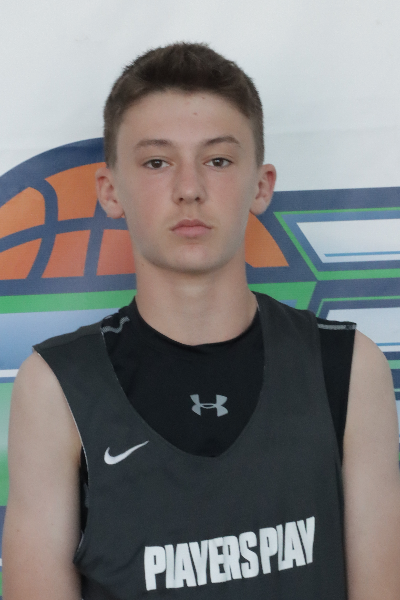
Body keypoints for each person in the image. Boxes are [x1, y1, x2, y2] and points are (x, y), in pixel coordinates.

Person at [3, 42, 400, 600]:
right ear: (110, 191)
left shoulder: (348, 366)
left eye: (218, 160)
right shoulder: (56, 386)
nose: (189, 189)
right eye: (156, 162)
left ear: (261, 185)